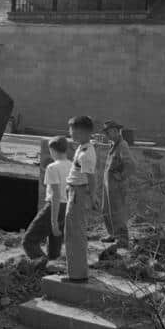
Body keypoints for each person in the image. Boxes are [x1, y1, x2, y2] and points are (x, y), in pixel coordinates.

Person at [23, 136, 72, 261]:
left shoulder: (52, 168)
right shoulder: (72, 166)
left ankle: (42, 265)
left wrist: (53, 221)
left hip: (54, 206)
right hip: (67, 206)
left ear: (53, 150)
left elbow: (55, 195)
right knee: (55, 242)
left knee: (29, 241)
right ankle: (53, 266)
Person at [64, 116, 100, 283]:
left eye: (72, 130)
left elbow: (91, 178)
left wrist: (93, 197)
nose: (70, 133)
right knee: (73, 232)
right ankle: (75, 272)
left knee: (75, 234)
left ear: (81, 131)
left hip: (78, 194)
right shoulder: (82, 147)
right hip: (74, 191)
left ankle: (77, 275)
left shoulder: (86, 154)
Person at [100, 120, 136, 248]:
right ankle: (112, 234)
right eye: (106, 133)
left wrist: (121, 176)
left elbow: (131, 165)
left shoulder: (122, 145)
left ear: (115, 131)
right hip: (108, 184)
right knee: (106, 210)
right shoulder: (113, 145)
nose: (107, 135)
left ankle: (122, 239)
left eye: (108, 132)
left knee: (117, 212)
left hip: (116, 185)